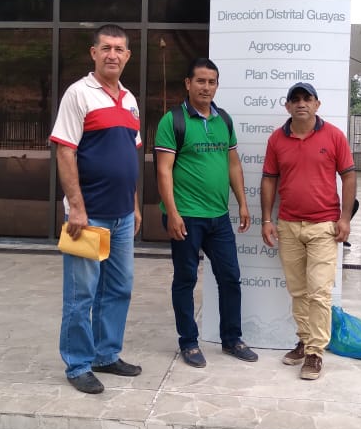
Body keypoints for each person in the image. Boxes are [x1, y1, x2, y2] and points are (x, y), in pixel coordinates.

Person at [50, 24, 142, 395]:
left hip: (122, 217)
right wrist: (76, 208)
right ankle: (78, 364)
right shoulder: (78, 94)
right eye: (106, 48)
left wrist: (134, 206)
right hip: (88, 218)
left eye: (119, 49)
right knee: (81, 294)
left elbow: (129, 156)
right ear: (93, 53)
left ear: (127, 56)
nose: (112, 55)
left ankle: (106, 354)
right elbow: (65, 151)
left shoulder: (130, 100)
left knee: (119, 288)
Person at [155, 58, 258, 368]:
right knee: (185, 279)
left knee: (230, 277)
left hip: (218, 216)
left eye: (211, 82)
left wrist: (242, 202)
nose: (206, 87)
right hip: (186, 215)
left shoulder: (223, 119)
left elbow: (233, 164)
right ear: (188, 83)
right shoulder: (173, 121)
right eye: (200, 81)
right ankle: (189, 342)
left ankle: (232, 339)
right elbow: (163, 171)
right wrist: (172, 213)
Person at [260, 82, 356, 381]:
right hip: (288, 225)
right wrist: (266, 219)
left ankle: (315, 352)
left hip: (324, 226)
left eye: (307, 98)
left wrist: (345, 218)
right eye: (295, 99)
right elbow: (269, 179)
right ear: (288, 106)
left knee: (319, 292)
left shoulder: (334, 136)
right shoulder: (277, 139)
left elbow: (349, 177)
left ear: (317, 104)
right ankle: (304, 341)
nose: (301, 103)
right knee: (298, 290)